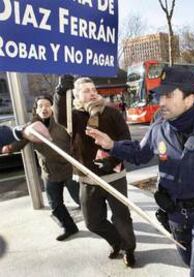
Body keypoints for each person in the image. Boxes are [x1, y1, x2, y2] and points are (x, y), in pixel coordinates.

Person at [86, 67, 194, 277]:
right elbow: (139, 154)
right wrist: (112, 145)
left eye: (169, 95)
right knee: (192, 262)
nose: (161, 102)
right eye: (161, 95)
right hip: (174, 215)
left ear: (189, 100)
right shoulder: (158, 129)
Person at [54, 76, 136, 267]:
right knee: (92, 221)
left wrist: (112, 159)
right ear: (76, 95)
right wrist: (60, 94)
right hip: (87, 178)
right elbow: (59, 119)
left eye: (93, 89)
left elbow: (126, 140)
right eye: (86, 90)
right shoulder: (73, 116)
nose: (91, 93)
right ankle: (117, 242)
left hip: (114, 175)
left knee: (121, 217)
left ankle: (129, 249)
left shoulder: (112, 113)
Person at [2, 95, 79, 241]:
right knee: (55, 204)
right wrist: (9, 147)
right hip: (49, 172)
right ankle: (69, 227)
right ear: (36, 110)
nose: (44, 108)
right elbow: (21, 140)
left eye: (47, 105)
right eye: (40, 106)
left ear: (52, 107)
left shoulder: (62, 123)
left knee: (80, 199)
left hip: (69, 169)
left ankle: (97, 221)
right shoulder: (32, 126)